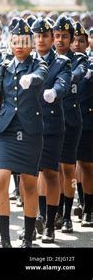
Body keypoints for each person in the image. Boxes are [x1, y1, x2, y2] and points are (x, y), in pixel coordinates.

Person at [0, 19, 49, 248]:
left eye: (24, 42)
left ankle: (27, 238)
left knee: (29, 184)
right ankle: (5, 240)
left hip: (29, 132)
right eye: (15, 41)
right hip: (4, 132)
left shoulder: (38, 65)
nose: (19, 45)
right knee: (0, 179)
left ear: (31, 43)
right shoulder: (2, 68)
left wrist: (32, 79)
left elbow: (41, 75)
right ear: (9, 42)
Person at [30, 17, 71, 244]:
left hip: (52, 125)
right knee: (30, 176)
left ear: (51, 38)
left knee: (51, 174)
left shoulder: (61, 62)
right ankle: (35, 218)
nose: (42, 40)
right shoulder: (25, 60)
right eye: (37, 36)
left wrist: (55, 91)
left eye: (46, 35)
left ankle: (50, 225)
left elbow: (64, 82)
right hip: (28, 126)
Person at [54, 17, 88, 233]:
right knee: (51, 169)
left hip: (71, 121)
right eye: (57, 36)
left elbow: (76, 74)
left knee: (68, 168)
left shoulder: (79, 60)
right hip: (49, 121)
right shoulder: (45, 59)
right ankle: (54, 211)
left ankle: (67, 215)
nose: (60, 40)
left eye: (65, 36)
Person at [76, 24, 93, 227]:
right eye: (75, 40)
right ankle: (79, 202)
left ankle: (88, 208)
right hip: (70, 120)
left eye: (82, 40)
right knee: (73, 166)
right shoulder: (63, 63)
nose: (78, 44)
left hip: (88, 121)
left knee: (87, 166)